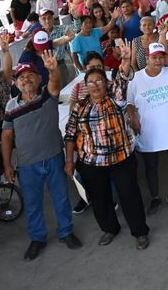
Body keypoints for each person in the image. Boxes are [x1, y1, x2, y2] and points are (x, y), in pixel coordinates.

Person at [1, 55, 81, 262]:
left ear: (38, 79)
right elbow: (7, 136)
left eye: (30, 75)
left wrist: (53, 70)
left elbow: (55, 82)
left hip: (54, 157)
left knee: (61, 197)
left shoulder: (47, 95)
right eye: (21, 77)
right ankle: (38, 238)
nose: (26, 79)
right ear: (16, 82)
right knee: (33, 203)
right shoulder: (10, 106)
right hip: (27, 165)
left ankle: (66, 232)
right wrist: (7, 164)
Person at [63, 67, 149, 249]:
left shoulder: (116, 99)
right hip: (91, 163)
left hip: (121, 159)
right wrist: (69, 161)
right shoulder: (80, 106)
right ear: (86, 86)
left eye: (99, 81)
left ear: (107, 83)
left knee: (130, 195)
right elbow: (70, 134)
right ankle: (110, 228)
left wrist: (125, 61)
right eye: (90, 82)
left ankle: (140, 231)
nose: (95, 85)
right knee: (100, 199)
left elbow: (123, 79)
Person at [127, 43, 168, 215]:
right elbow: (129, 102)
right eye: (154, 57)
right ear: (146, 58)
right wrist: (133, 118)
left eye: (161, 57)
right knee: (151, 167)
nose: (158, 60)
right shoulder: (136, 78)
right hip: (148, 132)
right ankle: (155, 197)